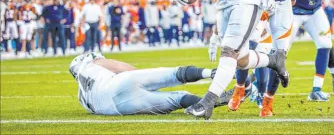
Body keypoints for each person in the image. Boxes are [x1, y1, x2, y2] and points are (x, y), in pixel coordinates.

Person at [69, 52, 231, 115]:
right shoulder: (91, 64)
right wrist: (144, 80)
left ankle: (210, 104)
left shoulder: (81, 97)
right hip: (118, 84)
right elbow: (121, 67)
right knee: (173, 74)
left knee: (177, 99)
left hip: (118, 108)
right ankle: (212, 73)